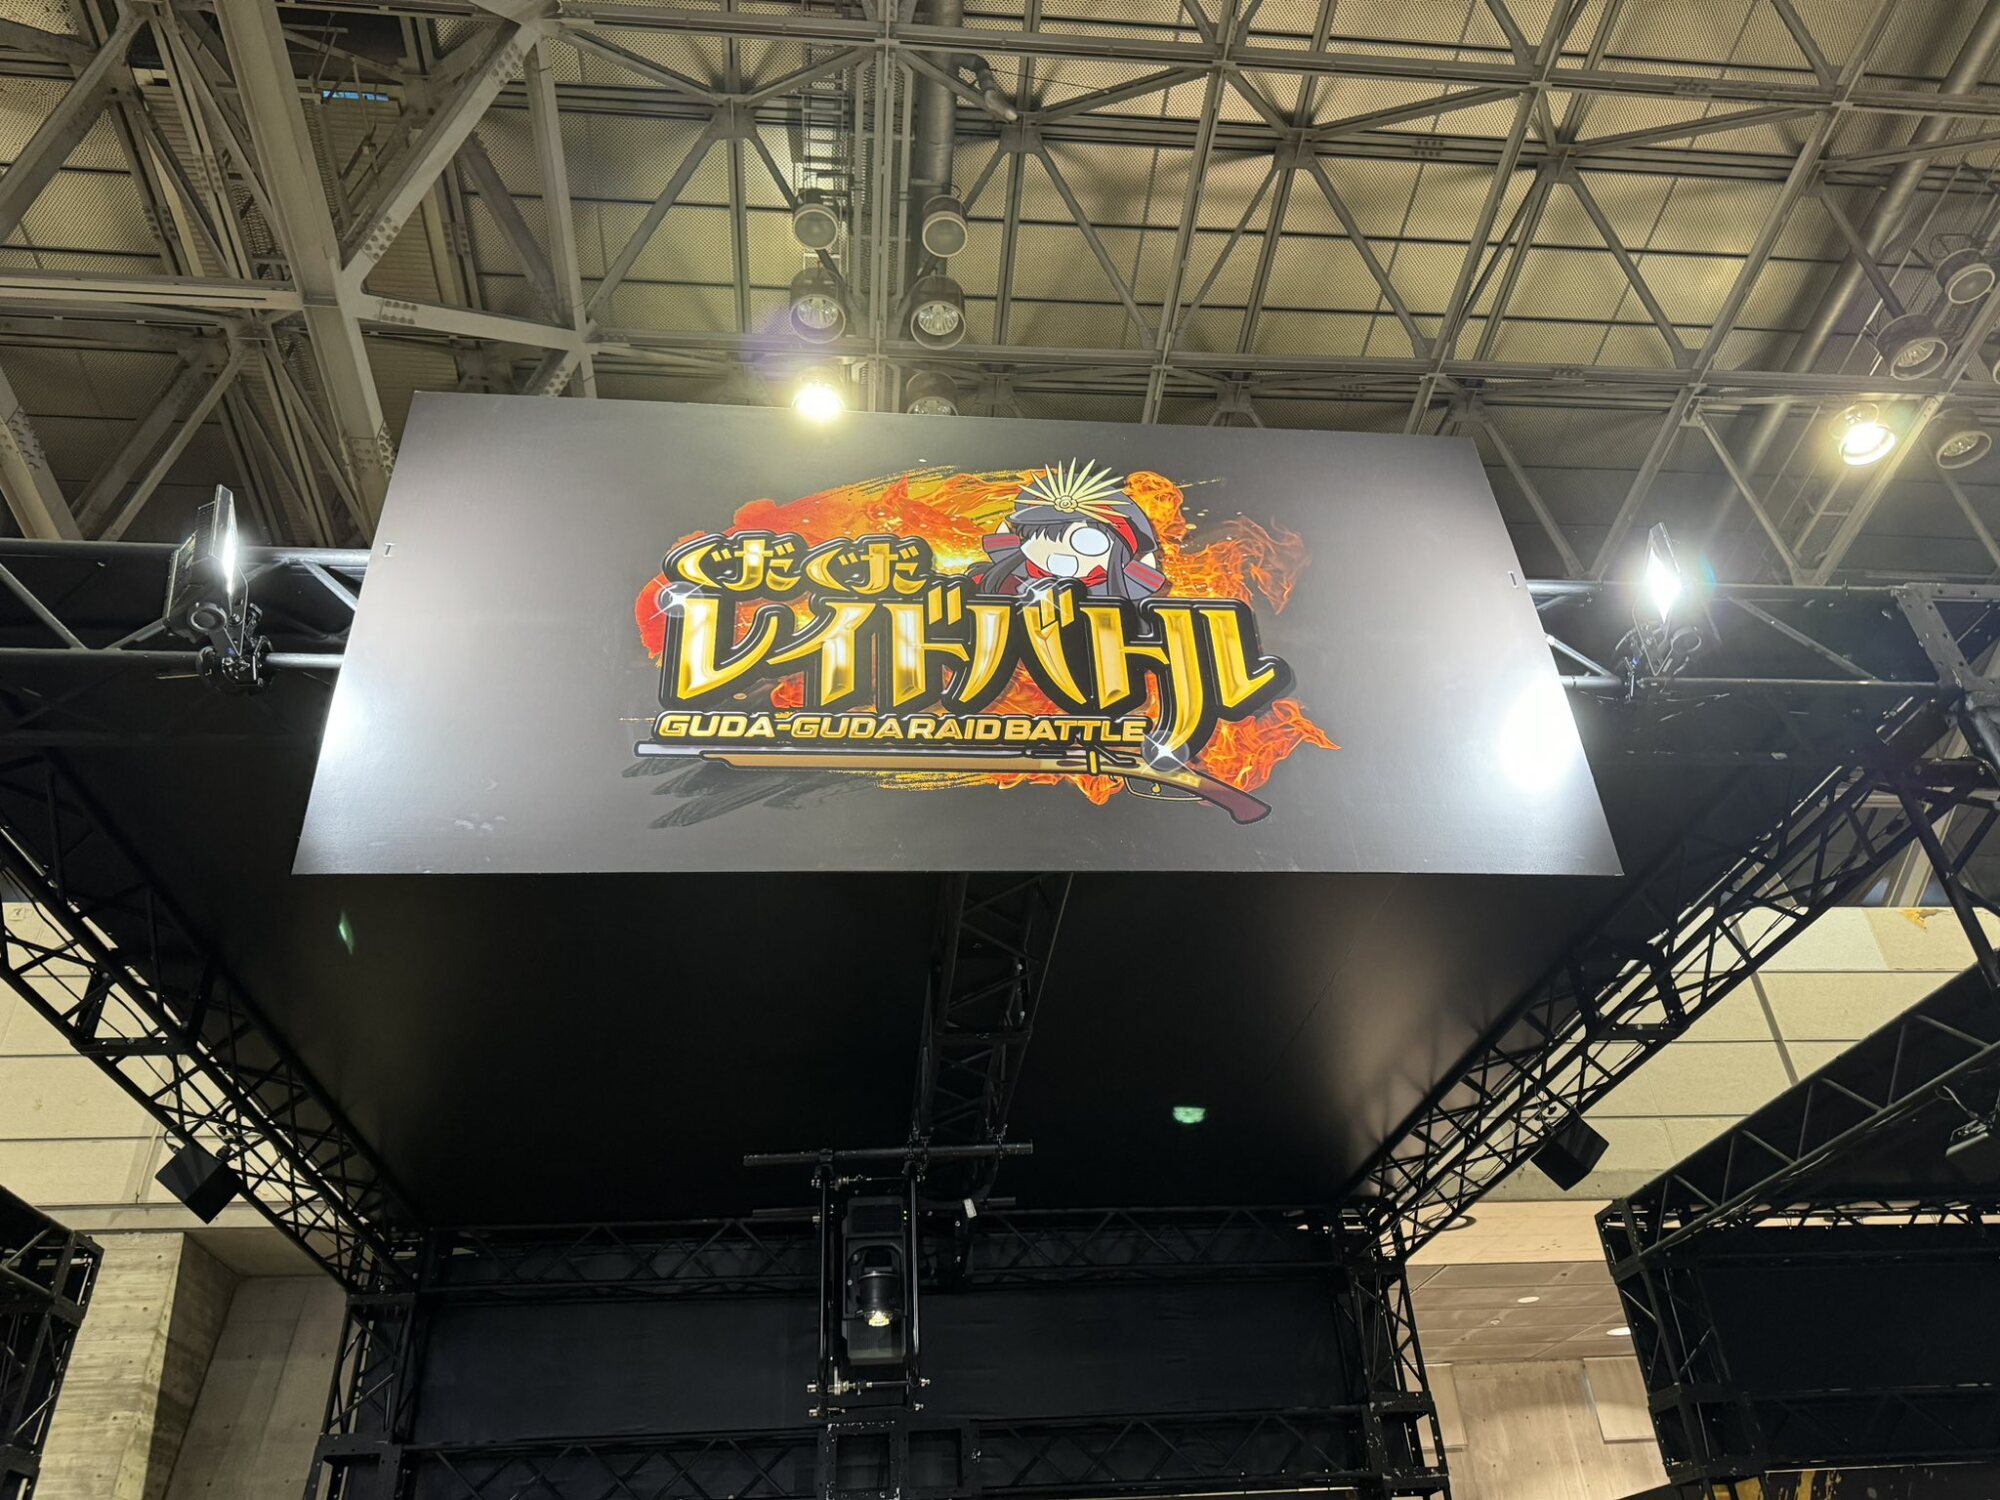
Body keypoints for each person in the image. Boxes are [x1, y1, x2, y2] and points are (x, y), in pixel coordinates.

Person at [974, 459, 1167, 600]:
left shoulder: (1119, 597)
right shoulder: (1004, 583)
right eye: (1045, 538)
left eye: (1087, 543)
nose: (1061, 552)